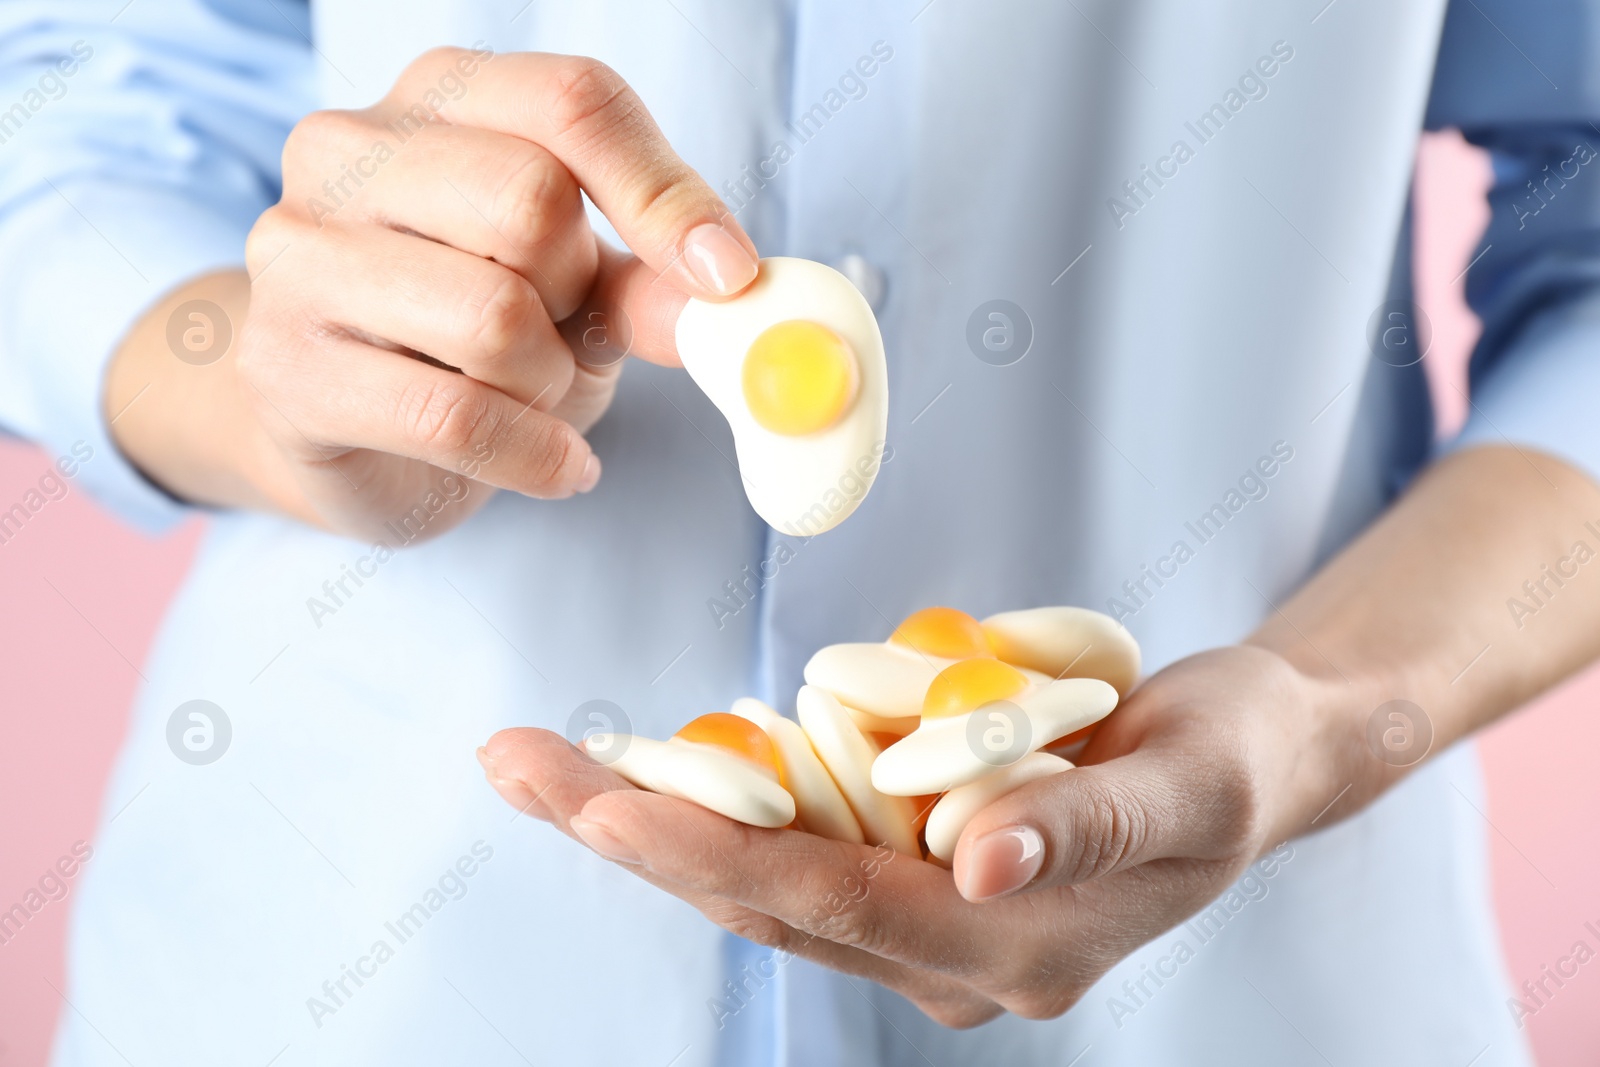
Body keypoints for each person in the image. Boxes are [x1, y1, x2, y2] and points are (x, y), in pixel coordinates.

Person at [2, 1, 1597, 1064]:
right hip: (353, 966)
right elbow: (71, 107)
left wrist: (1322, 715)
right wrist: (273, 391)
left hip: (1253, 997)